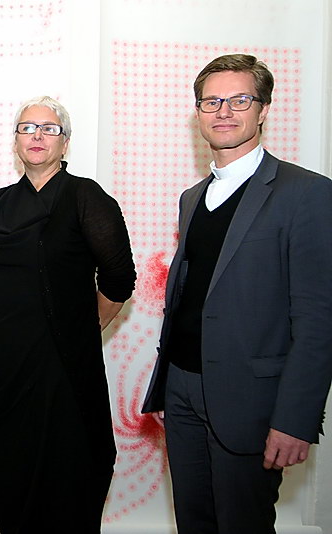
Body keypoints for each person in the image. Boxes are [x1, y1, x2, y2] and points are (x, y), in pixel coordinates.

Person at [142, 54, 332, 534]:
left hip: (251, 402)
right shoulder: (192, 197)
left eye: (239, 100)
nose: (223, 111)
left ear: (263, 109)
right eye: (212, 101)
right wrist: (167, 385)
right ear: (198, 113)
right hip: (182, 392)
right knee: (194, 523)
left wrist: (295, 419)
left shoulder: (306, 193)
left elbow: (318, 318)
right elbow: (189, 298)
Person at [0, 96, 136, 534]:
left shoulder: (84, 196)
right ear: (15, 141)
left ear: (65, 142)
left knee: (66, 478)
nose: (37, 136)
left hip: (60, 369)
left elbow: (119, 277)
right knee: (5, 471)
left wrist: (84, 327)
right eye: (27, 128)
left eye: (49, 128)